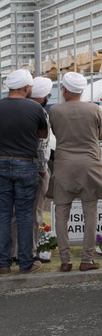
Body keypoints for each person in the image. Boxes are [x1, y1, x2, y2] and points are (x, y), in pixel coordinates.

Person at [50, 72, 102, 273]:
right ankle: (87, 259)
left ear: (66, 90)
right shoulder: (94, 109)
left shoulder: (55, 110)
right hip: (89, 166)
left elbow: (56, 132)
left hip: (64, 165)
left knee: (61, 212)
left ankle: (65, 260)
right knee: (90, 212)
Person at [0, 70, 48, 276]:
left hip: (1, 163)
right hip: (26, 163)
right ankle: (26, 263)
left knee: (3, 214)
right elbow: (43, 134)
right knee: (25, 214)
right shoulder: (35, 108)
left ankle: (3, 264)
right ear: (27, 88)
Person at [10, 76, 53, 264]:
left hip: (9, 164)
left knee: (12, 212)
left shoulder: (12, 108)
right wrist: (43, 170)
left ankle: (11, 252)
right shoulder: (39, 112)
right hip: (33, 167)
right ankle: (30, 251)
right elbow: (42, 145)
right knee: (34, 211)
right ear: (44, 96)